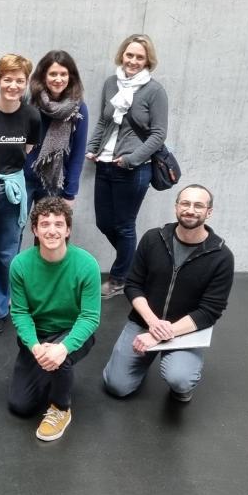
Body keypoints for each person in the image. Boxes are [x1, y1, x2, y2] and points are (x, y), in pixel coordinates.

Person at [102, 184, 234, 403]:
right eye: (185, 203)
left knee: (180, 379)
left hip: (186, 330)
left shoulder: (221, 256)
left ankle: (183, 377)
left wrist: (160, 334)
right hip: (145, 322)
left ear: (209, 212)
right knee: (116, 386)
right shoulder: (153, 239)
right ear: (176, 207)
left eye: (198, 205)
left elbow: (210, 311)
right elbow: (133, 284)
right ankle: (140, 362)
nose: (190, 209)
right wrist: (153, 323)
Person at [7, 197, 100, 441]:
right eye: (44, 224)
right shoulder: (20, 264)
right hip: (38, 336)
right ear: (35, 230)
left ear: (68, 230)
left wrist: (63, 348)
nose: (52, 230)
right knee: (20, 406)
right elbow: (20, 312)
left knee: (61, 358)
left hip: (72, 331)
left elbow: (90, 317)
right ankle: (49, 368)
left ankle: (61, 408)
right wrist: (36, 347)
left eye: (59, 224)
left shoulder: (86, 264)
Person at [86, 33, 169, 298]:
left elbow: (159, 134)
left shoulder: (155, 91)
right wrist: (92, 147)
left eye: (139, 57)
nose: (133, 60)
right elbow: (103, 120)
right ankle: (134, 266)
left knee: (124, 225)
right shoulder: (112, 83)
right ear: (122, 54)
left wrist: (132, 159)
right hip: (105, 163)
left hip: (133, 168)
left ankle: (120, 279)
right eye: (129, 55)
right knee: (104, 222)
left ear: (148, 61)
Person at [0, 55, 41, 334]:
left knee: (5, 255)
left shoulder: (32, 115)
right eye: (8, 79)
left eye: (20, 80)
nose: (13, 85)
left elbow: (27, 148)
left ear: (26, 83)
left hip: (13, 192)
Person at [24, 49, 89, 209]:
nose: (58, 79)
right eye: (53, 74)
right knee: (15, 231)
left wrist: (70, 192)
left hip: (54, 183)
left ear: (71, 76)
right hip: (23, 180)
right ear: (43, 75)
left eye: (63, 74)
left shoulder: (78, 109)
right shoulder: (28, 102)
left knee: (48, 233)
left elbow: (78, 154)